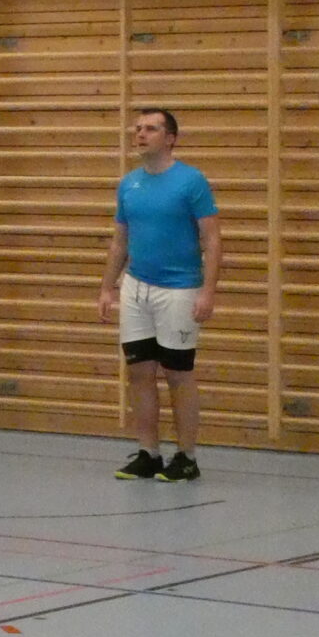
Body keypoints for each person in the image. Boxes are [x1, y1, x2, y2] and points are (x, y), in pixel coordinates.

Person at [98, 105, 221, 482]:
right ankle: (148, 453)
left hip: (179, 290)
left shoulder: (191, 181)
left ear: (170, 139)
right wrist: (107, 287)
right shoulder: (129, 184)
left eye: (151, 128)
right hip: (137, 287)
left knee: (178, 373)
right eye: (138, 128)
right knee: (139, 372)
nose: (140, 134)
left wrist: (208, 292)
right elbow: (120, 241)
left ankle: (186, 457)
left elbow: (212, 240)